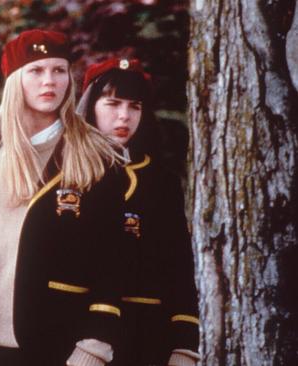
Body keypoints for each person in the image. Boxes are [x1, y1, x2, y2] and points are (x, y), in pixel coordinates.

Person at [0, 29, 128, 366]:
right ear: (16, 80)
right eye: (37, 71)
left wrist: (95, 345)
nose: (50, 81)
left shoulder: (97, 155)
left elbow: (114, 262)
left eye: (59, 70)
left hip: (63, 344)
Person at [77, 58, 200, 366]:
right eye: (113, 103)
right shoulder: (67, 176)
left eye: (135, 106)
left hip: (151, 337)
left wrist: (185, 344)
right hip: (80, 336)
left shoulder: (162, 181)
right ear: (90, 104)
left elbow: (180, 267)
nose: (124, 116)